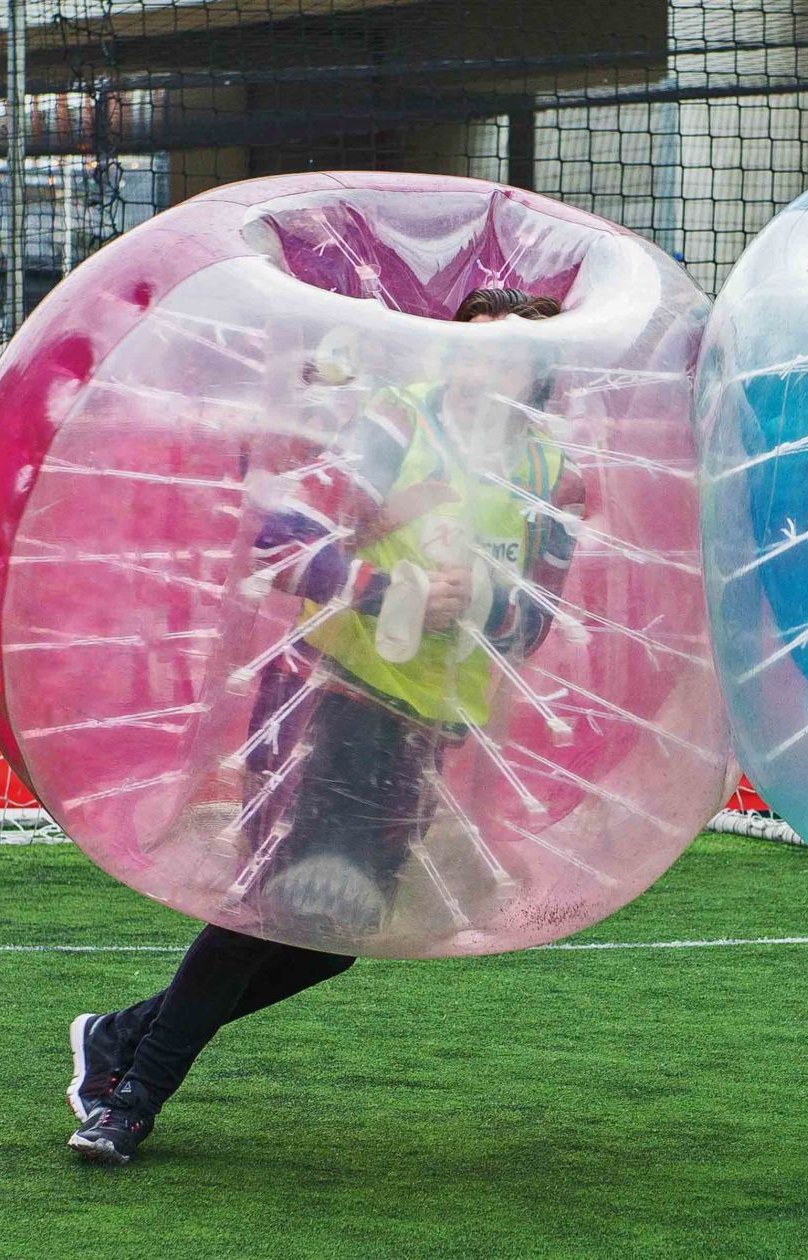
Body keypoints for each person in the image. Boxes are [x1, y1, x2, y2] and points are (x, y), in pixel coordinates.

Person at [64, 286, 584, 1166]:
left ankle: (118, 1037)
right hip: (328, 696)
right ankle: (129, 1101)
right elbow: (274, 531)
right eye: (475, 345)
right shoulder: (392, 424)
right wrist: (396, 592)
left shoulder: (546, 475)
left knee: (332, 941)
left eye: (514, 352)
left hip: (427, 728)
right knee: (270, 906)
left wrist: (484, 602)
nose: (489, 363)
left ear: (537, 371)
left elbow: (535, 625)